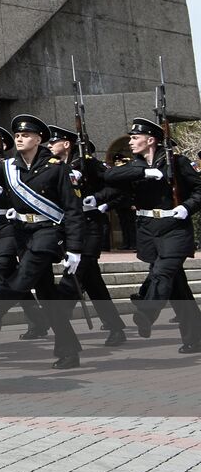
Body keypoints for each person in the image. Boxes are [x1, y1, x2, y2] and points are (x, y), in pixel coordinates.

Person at [0, 114, 84, 369]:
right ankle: (69, 350)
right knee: (48, 296)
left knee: (24, 274)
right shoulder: (10, 167)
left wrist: (75, 248)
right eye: (17, 135)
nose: (20, 138)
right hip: (23, 233)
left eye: (25, 135)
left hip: (48, 233)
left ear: (38, 139)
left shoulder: (57, 168)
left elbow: (73, 210)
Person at [95, 118, 201, 352]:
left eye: (135, 137)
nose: (131, 142)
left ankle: (146, 311)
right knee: (177, 287)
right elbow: (110, 178)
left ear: (150, 140)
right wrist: (142, 171)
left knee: (162, 272)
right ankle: (195, 336)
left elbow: (199, 189)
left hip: (174, 226)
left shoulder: (177, 162)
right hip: (148, 229)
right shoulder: (135, 167)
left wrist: (186, 207)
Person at [48, 127, 127, 346]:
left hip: (90, 225)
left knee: (74, 275)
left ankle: (59, 322)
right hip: (69, 227)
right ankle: (115, 327)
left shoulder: (88, 163)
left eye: (54, 142)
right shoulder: (53, 166)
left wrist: (97, 198)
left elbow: (117, 187)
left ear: (66, 144)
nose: (49, 146)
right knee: (92, 281)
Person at [0, 123, 49, 340]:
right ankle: (38, 320)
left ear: (3, 145)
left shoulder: (10, 167)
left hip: (10, 226)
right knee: (16, 279)